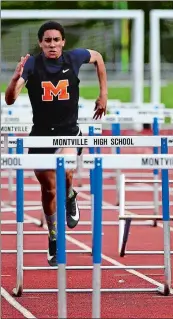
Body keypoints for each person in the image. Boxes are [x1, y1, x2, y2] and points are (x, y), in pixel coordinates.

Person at [4, 21, 108, 266]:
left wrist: (103, 93)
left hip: (69, 133)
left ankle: (70, 194)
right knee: (49, 188)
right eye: (47, 40)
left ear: (63, 42)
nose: (52, 44)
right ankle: (53, 235)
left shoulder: (73, 58)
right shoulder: (31, 64)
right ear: (41, 43)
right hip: (40, 135)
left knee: (66, 169)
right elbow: (10, 99)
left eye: (56, 40)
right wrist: (15, 78)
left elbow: (99, 58)